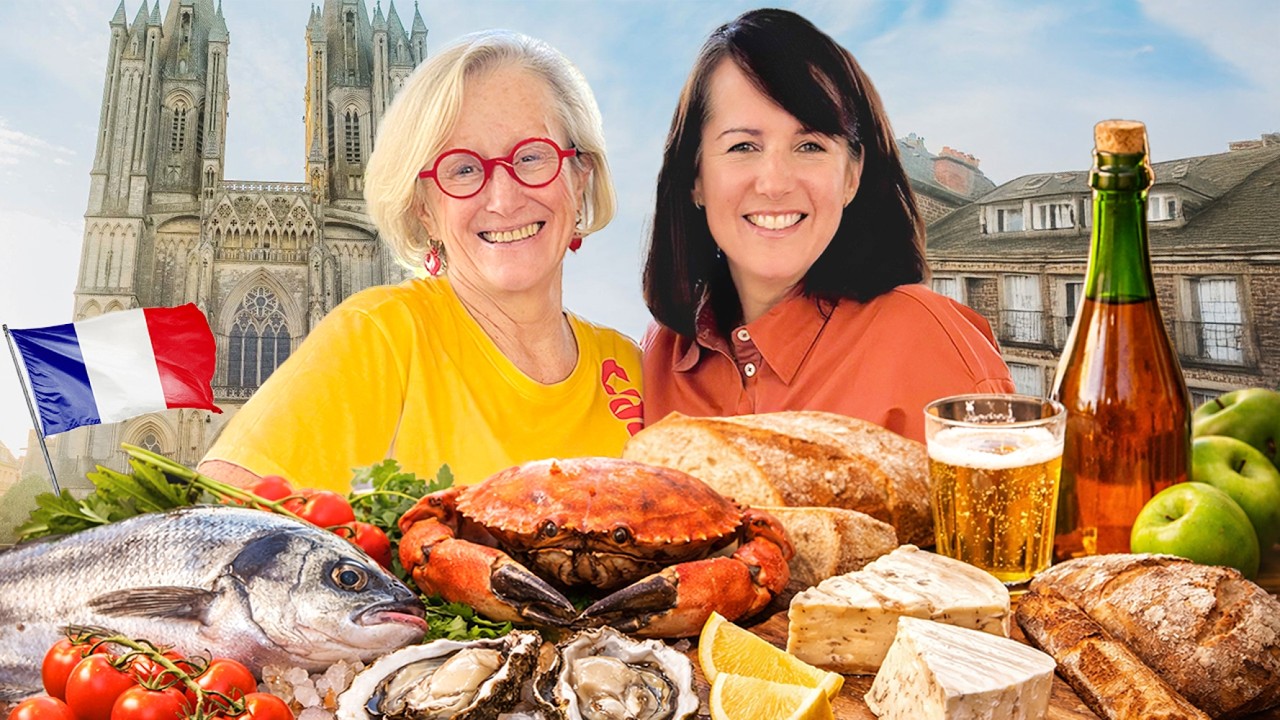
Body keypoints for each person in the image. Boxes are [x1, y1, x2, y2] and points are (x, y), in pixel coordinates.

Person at [199, 30, 643, 492]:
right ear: (424, 209)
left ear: (580, 177)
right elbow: (211, 529)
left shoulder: (636, 369)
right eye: (464, 169)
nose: (504, 197)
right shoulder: (379, 336)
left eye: (532, 156)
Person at [641, 8, 1013, 443]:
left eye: (810, 145)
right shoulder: (658, 357)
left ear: (852, 177)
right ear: (695, 177)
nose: (775, 182)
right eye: (743, 145)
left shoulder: (927, 341)